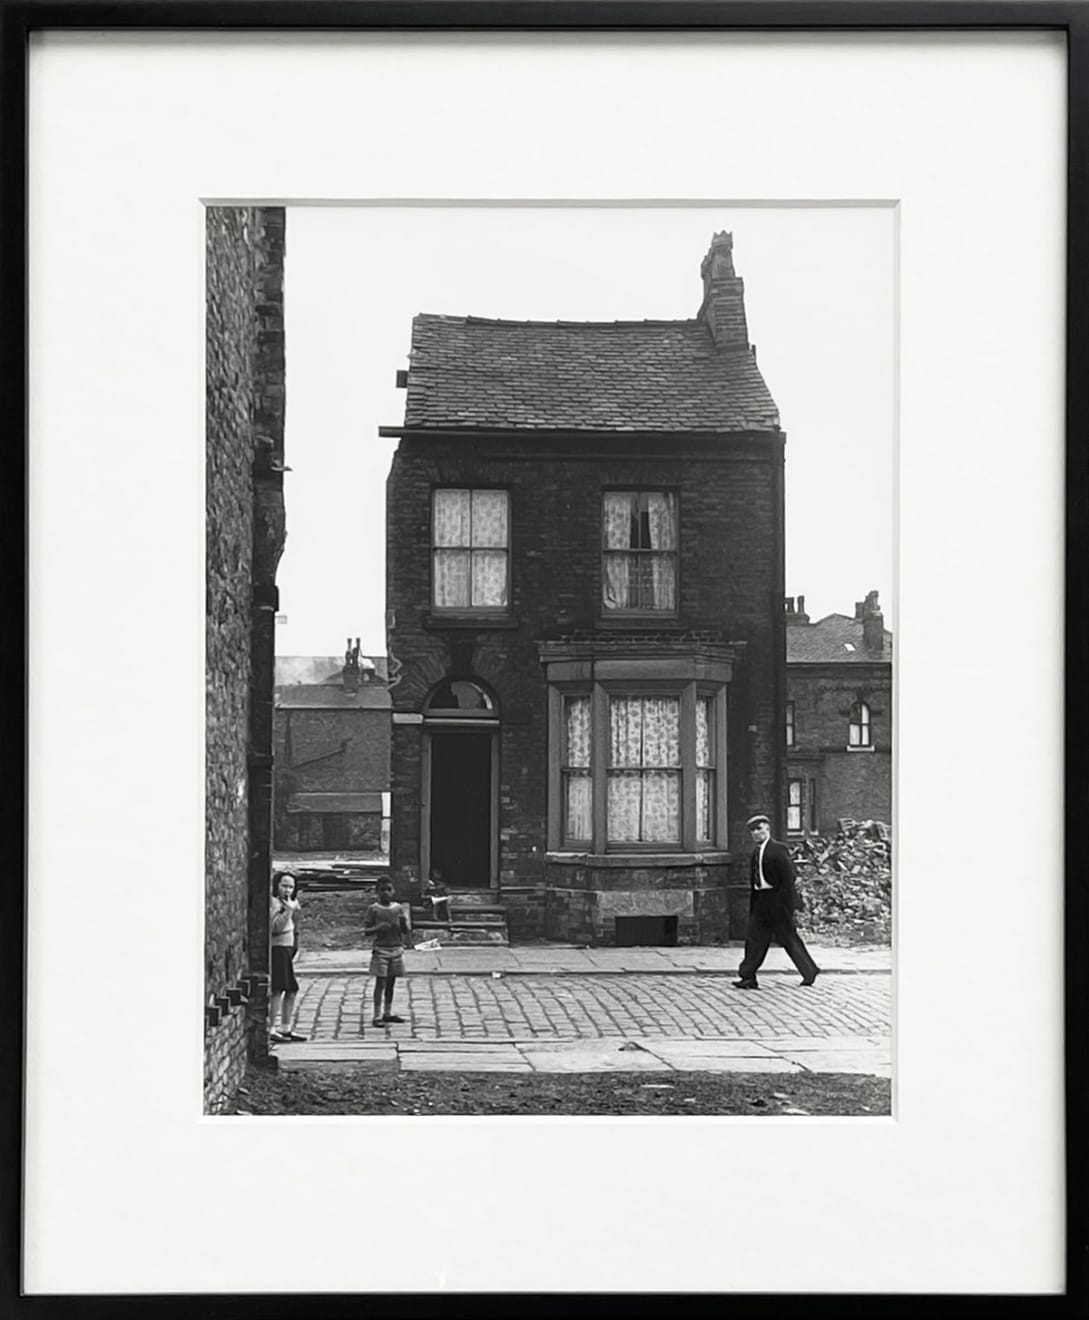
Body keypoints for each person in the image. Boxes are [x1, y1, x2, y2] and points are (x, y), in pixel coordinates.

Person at [734, 813, 820, 990]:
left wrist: (784, 904)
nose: (756, 833)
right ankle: (748, 977)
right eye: (752, 830)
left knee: (788, 938)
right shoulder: (755, 853)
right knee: (754, 940)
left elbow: (788, 878)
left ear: (767, 829)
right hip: (760, 902)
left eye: (759, 829)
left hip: (776, 901)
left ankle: (809, 971)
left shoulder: (777, 849)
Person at [364, 877, 413, 1027]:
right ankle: (377, 1015)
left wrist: (403, 922)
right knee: (381, 982)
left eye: (389, 889)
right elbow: (367, 931)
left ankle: (387, 1012)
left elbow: (405, 931)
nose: (386, 893)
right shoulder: (373, 909)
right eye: (382, 890)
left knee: (391, 983)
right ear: (377, 892)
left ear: (394, 891)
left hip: (396, 949)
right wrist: (378, 928)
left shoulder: (398, 908)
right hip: (381, 950)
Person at [269, 872, 306, 1041]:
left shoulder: (291, 903)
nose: (287, 890)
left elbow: (296, 925)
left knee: (291, 989)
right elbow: (276, 927)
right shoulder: (274, 903)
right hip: (278, 948)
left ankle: (286, 1027)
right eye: (284, 886)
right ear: (276, 885)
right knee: (278, 988)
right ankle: (271, 1028)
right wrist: (288, 911)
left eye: (291, 887)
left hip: (287, 947)